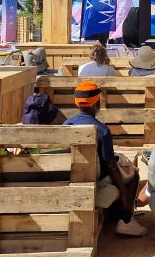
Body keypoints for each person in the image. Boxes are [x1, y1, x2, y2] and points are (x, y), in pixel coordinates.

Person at [63, 81, 147, 236]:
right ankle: (126, 220)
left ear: (76, 103)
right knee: (133, 175)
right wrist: (124, 194)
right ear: (98, 103)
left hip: (71, 178)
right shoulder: (102, 130)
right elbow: (111, 165)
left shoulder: (66, 124)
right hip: (95, 180)